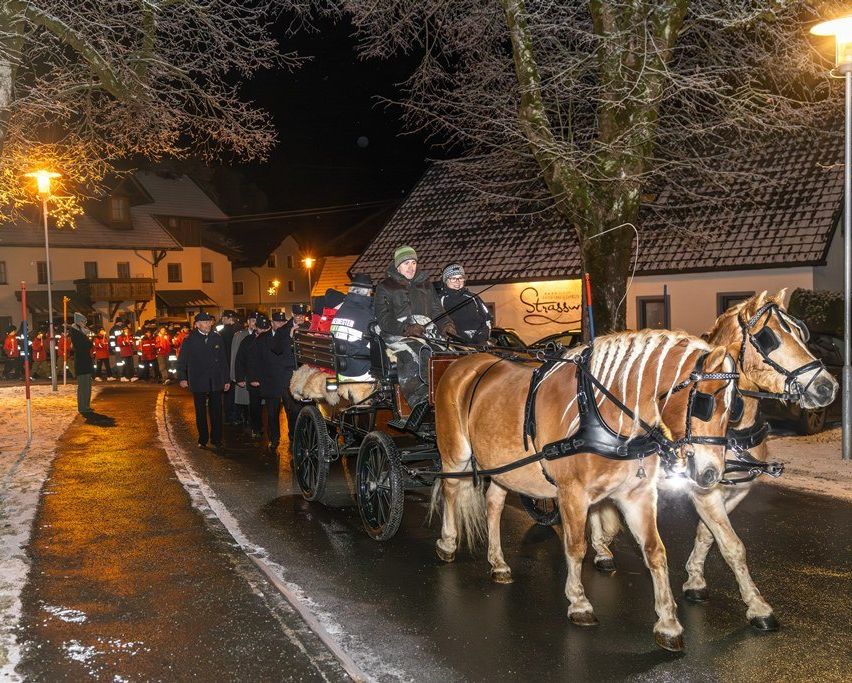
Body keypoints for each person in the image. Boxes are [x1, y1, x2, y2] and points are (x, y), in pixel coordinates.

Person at [374, 245, 455, 409]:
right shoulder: (385, 287)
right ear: (397, 266)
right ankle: (419, 401)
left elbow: (436, 310)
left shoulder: (425, 284)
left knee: (447, 353)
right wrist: (407, 329)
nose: (411, 267)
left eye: (413, 262)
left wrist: (446, 325)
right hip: (397, 334)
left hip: (425, 331)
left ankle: (448, 393)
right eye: (406, 264)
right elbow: (384, 319)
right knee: (416, 354)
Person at [176, 312, 231, 450]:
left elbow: (224, 360)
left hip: (215, 379)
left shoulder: (216, 338)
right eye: (205, 322)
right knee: (200, 411)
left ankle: (217, 439)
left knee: (217, 411)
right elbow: (182, 360)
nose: (208, 324)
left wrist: (226, 379)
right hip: (198, 379)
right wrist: (182, 377)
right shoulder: (189, 339)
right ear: (197, 324)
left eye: (209, 322)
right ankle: (203, 439)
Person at [250, 312, 294, 451]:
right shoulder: (262, 338)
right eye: (277, 322)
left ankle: (293, 438)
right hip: (269, 380)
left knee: (291, 411)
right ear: (272, 323)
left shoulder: (290, 335)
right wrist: (254, 377)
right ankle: (274, 439)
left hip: (287, 380)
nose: (280, 324)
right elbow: (255, 359)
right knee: (272, 413)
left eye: (282, 322)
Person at [330, 273, 375, 383]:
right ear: (368, 292)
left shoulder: (340, 310)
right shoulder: (367, 315)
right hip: (360, 372)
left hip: (340, 371)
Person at [437, 263, 492, 344]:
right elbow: (438, 322)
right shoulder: (439, 299)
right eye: (453, 278)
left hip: (479, 343)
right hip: (455, 344)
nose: (457, 282)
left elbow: (487, 320)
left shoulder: (473, 298)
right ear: (445, 280)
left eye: (460, 278)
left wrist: (482, 336)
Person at [235, 313, 266, 439]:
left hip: (269, 379)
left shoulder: (272, 339)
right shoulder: (247, 340)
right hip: (253, 379)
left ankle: (271, 432)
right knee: (254, 406)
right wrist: (240, 378)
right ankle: (256, 428)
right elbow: (239, 360)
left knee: (270, 407)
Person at [230, 312, 256, 426]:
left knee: (256, 402)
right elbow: (234, 356)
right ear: (248, 322)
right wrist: (234, 375)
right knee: (243, 399)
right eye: (252, 320)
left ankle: (253, 422)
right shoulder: (239, 335)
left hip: (256, 374)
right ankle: (244, 418)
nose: (254, 323)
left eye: (256, 321)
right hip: (243, 372)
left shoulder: (262, 334)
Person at [68, 313, 96, 415]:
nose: (85, 324)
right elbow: (85, 346)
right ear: (80, 322)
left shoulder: (82, 332)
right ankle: (83, 407)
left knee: (87, 385)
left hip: (85, 361)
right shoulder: (76, 333)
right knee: (83, 386)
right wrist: (89, 340)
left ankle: (86, 406)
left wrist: (89, 340)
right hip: (81, 361)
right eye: (84, 322)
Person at [218, 310, 239, 425]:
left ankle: (229, 416)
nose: (222, 319)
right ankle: (237, 415)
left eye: (223, 317)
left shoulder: (223, 331)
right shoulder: (240, 329)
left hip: (227, 364)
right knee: (236, 391)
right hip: (237, 364)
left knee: (228, 392)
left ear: (229, 318)